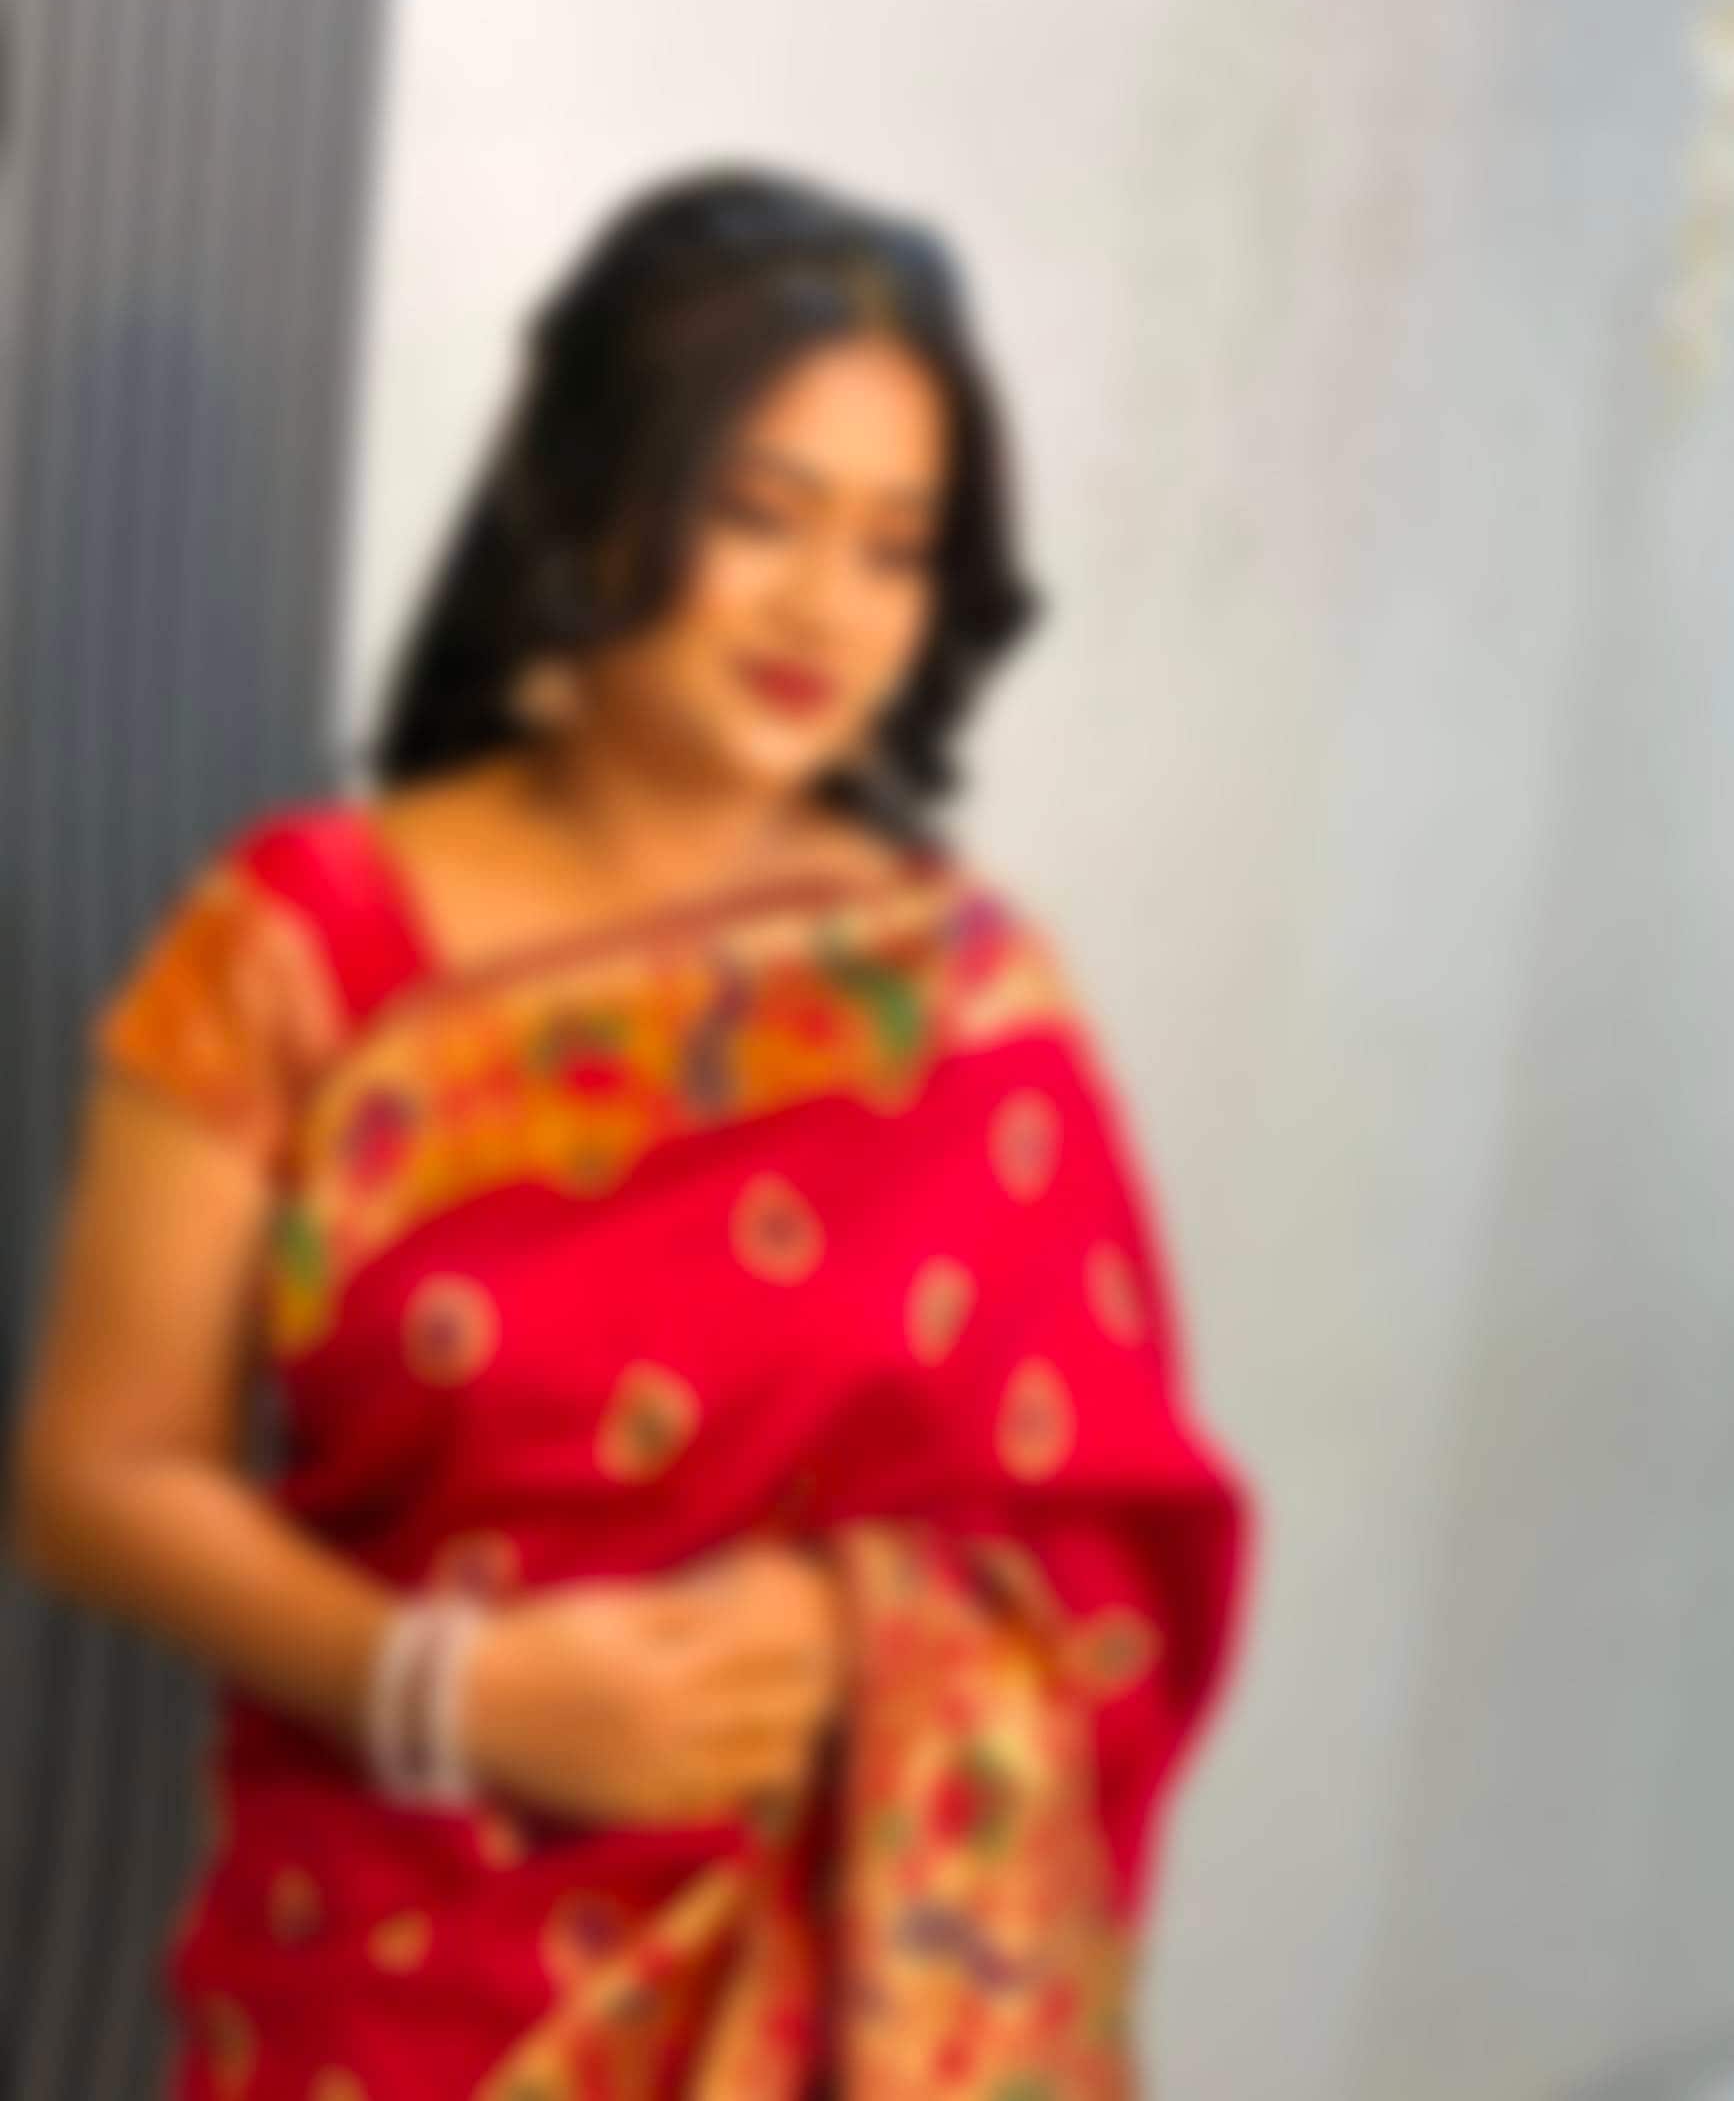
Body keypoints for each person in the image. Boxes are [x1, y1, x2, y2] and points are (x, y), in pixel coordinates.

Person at [8, 163, 1252, 2098]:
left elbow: (1105, 1544)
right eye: (758, 514)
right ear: (593, 495)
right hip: (386, 1978)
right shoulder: (295, 945)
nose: (823, 606)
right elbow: (96, 1474)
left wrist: (853, 1633)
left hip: (816, 1988)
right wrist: (453, 1689)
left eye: (892, 547)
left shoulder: (964, 1002)